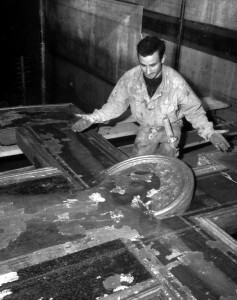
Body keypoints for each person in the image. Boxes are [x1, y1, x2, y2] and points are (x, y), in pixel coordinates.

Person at [72, 35, 230, 157]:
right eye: (143, 65)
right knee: (139, 163)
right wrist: (92, 118)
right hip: (147, 126)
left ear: (162, 59)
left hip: (172, 127)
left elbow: (193, 111)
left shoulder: (176, 83)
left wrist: (209, 133)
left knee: (167, 160)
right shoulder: (130, 79)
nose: (148, 71)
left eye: (153, 65)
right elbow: (115, 105)